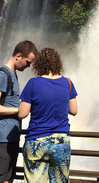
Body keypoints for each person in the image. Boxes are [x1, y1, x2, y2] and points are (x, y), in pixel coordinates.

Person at [18, 48, 78, 183]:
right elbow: (74, 110)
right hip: (61, 142)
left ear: (39, 64)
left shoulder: (33, 83)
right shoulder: (67, 83)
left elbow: (22, 113)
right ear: (58, 63)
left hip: (36, 141)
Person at [0, 40, 39, 183]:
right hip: (0, 140)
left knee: (8, 180)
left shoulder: (13, 75)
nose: (28, 66)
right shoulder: (2, 75)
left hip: (10, 140)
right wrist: (19, 109)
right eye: (28, 62)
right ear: (18, 56)